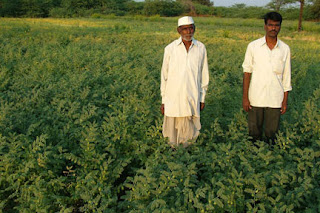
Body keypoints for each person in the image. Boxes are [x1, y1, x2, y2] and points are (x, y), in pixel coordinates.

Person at [242, 12, 292, 144]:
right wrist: (245, 98)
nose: (273, 28)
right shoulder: (253, 46)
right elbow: (247, 72)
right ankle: (253, 159)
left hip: (275, 98)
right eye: (270, 25)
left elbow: (286, 76)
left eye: (276, 25)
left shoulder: (285, 49)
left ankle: (269, 159)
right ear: (265, 26)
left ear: (280, 27)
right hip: (256, 97)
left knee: (272, 133)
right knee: (254, 132)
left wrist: (284, 101)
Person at [160, 16, 209, 148]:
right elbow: (164, 76)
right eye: (185, 29)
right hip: (173, 98)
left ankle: (186, 157)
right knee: (171, 134)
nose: (188, 32)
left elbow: (204, 75)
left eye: (191, 28)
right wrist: (163, 100)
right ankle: (172, 156)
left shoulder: (200, 48)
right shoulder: (170, 49)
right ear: (179, 30)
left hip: (191, 97)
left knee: (189, 133)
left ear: (194, 29)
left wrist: (202, 97)